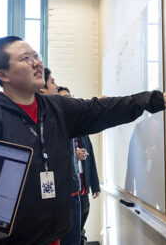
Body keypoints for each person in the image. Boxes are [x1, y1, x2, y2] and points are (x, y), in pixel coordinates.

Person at [0, 36, 166, 245]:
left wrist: (151, 100)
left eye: (36, 56)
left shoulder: (56, 108)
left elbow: (100, 109)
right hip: (10, 239)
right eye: (25, 59)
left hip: (52, 234)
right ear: (4, 75)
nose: (37, 63)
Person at [39, 69, 84, 245]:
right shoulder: (47, 119)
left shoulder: (62, 117)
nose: (56, 87)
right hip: (55, 197)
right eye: (52, 82)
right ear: (41, 89)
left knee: (74, 238)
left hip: (72, 191)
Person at [58, 86, 101, 245]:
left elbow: (91, 158)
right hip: (69, 191)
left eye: (70, 96)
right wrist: (72, 155)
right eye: (65, 98)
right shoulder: (58, 129)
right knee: (71, 231)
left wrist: (95, 185)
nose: (69, 100)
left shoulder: (81, 130)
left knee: (81, 226)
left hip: (83, 189)